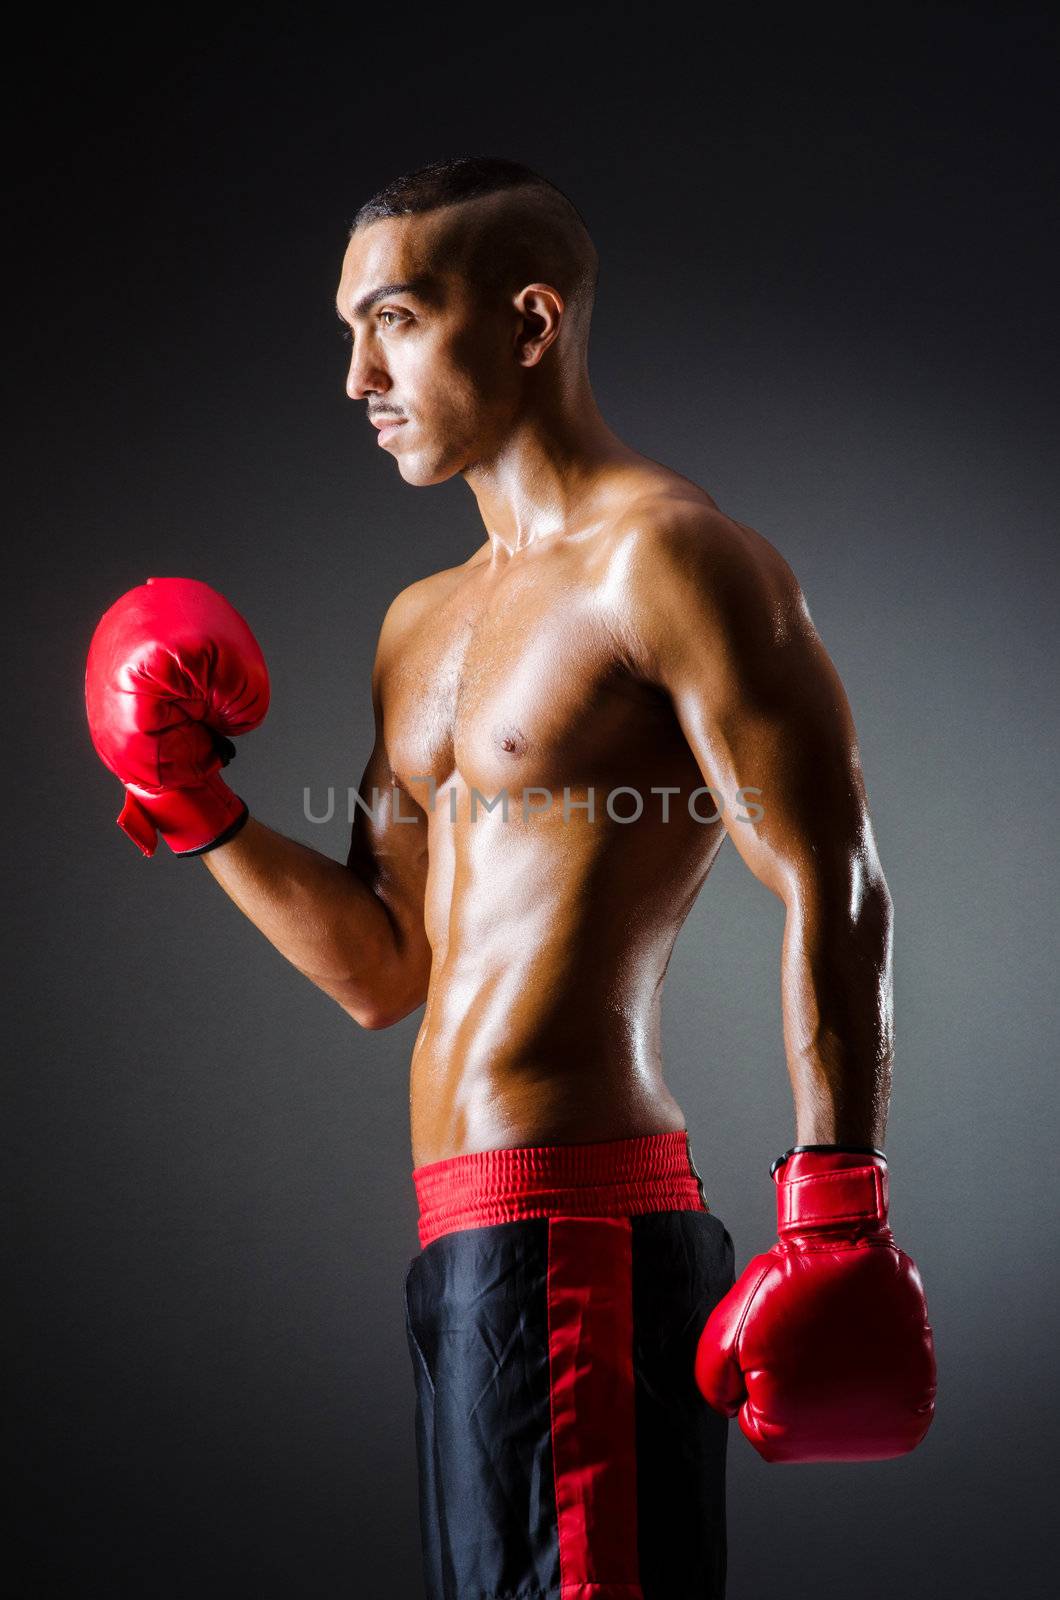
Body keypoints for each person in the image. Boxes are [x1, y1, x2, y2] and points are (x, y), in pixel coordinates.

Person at [84, 156, 936, 1599]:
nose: (357, 372)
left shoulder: (670, 561)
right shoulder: (419, 624)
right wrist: (200, 807)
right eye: (349, 330)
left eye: (398, 320)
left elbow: (834, 879)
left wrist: (836, 1206)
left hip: (583, 1230)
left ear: (530, 324)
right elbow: (382, 969)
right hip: (463, 1242)